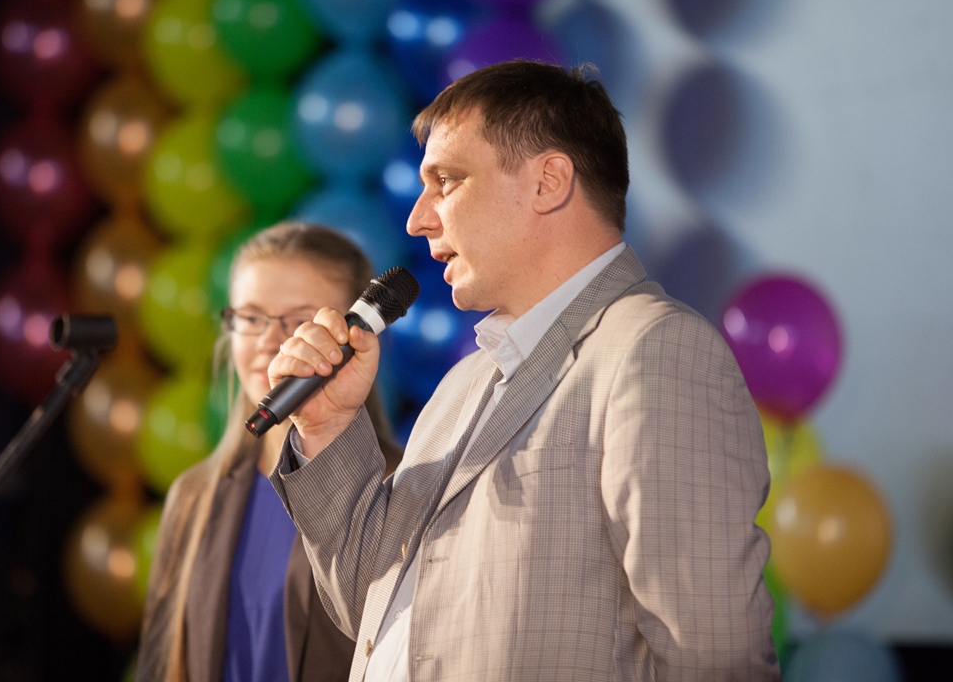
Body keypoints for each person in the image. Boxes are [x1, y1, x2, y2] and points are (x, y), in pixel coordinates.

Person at [266, 61, 779, 680]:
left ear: (548, 182)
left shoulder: (654, 351)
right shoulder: (464, 384)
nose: (417, 219)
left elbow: (717, 660)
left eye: (446, 180)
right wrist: (327, 428)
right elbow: (376, 610)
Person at [136, 222, 402, 682]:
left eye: (300, 321)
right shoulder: (194, 495)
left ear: (356, 336)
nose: (268, 342)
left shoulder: (403, 486)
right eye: (251, 318)